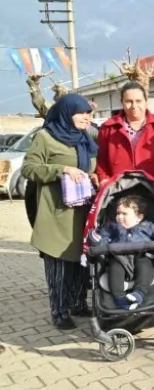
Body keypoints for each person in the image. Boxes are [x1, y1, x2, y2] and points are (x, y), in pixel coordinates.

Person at [21, 94, 98, 330]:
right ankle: (59, 310)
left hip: (82, 210)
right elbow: (28, 168)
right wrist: (61, 169)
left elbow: (91, 165)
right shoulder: (46, 137)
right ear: (67, 113)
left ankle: (77, 303)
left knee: (80, 263)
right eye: (82, 113)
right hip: (57, 212)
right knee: (59, 264)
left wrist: (93, 175)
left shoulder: (86, 137)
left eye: (89, 113)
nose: (87, 117)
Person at [87, 195, 154, 310]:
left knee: (145, 264)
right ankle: (119, 298)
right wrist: (96, 242)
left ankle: (139, 293)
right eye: (118, 213)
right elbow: (102, 237)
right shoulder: (112, 226)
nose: (119, 217)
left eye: (124, 214)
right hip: (119, 258)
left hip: (142, 256)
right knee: (114, 267)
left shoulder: (148, 226)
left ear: (138, 217)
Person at [96, 82, 154, 191]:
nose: (134, 106)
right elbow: (100, 161)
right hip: (118, 191)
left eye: (138, 101)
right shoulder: (108, 128)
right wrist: (104, 180)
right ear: (122, 102)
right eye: (129, 102)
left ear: (146, 101)